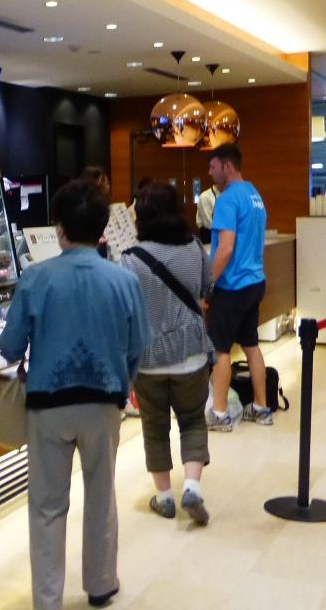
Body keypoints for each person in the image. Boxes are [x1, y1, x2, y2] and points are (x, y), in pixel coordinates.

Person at [0, 179, 150, 610]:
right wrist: (123, 384)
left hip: (47, 407)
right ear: (101, 228)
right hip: (103, 403)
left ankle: (48, 599)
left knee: (47, 506)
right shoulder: (124, 281)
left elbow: (11, 347)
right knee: (101, 497)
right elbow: (139, 346)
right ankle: (100, 585)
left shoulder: (36, 278)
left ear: (59, 228)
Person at [119, 182, 214, 525]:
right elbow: (207, 288)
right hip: (191, 353)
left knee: (154, 427)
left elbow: (125, 308)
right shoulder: (194, 248)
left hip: (148, 359)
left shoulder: (130, 258)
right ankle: (192, 486)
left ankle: (164, 498)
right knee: (192, 420)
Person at [203, 143, 272, 431]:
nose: (210, 173)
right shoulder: (254, 195)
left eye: (213, 167)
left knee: (220, 349)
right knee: (251, 345)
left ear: (227, 167)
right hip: (254, 282)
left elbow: (225, 248)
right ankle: (261, 408)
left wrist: (207, 284)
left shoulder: (228, 199)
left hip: (231, 287)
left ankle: (219, 413)